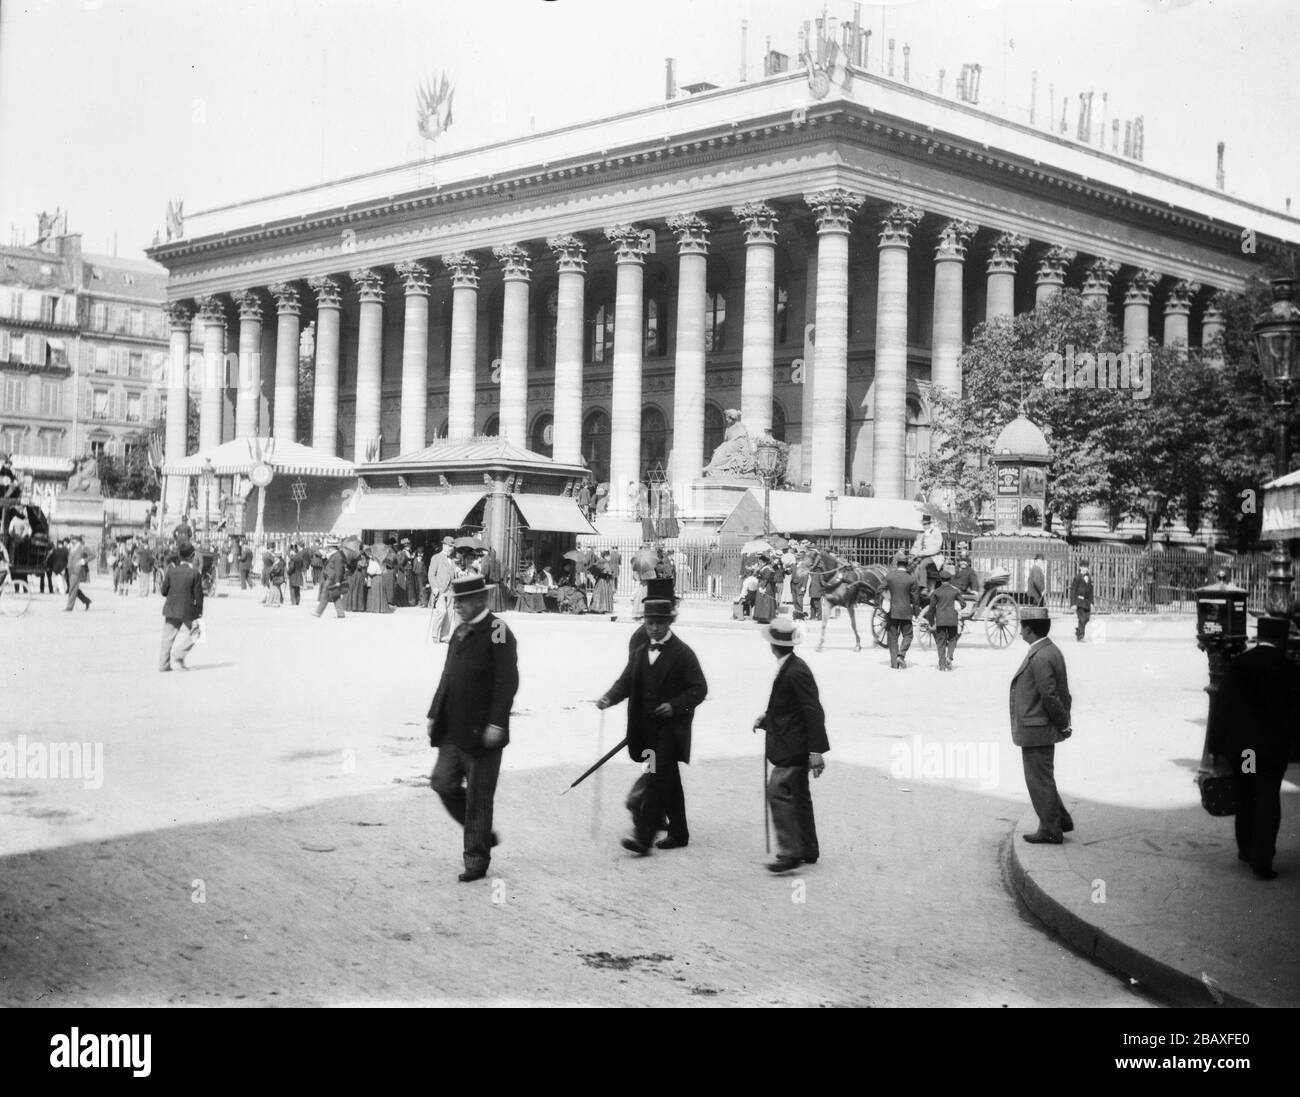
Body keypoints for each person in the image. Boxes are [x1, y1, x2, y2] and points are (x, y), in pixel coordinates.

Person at [596, 578, 708, 856]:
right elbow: (626, 681)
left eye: (659, 623)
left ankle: (643, 837)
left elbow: (699, 688)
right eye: (649, 623)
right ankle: (679, 831)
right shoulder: (639, 651)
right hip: (645, 728)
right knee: (667, 778)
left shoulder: (683, 653)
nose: (654, 628)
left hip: (671, 729)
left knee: (658, 777)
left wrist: (675, 705)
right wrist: (609, 697)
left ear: (669, 623)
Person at [426, 574, 519, 882]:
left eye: (462, 601)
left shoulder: (497, 631)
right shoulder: (460, 631)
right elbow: (447, 675)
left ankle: (476, 859)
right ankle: (481, 831)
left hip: (482, 732)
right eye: (455, 601)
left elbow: (507, 682)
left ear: (481, 600)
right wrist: (434, 712)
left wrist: (496, 722)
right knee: (442, 782)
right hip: (452, 728)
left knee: (479, 796)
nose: (457, 606)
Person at [1216, 616, 1300, 880]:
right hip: (1273, 749)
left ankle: (1246, 849)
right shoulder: (1289, 668)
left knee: (1247, 792)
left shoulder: (1240, 663)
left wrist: (1218, 748)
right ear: (1281, 639)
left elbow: (1224, 707)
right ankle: (1262, 862)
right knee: (1267, 798)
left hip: (1246, 751)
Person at [753, 617, 829, 873]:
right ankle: (808, 847)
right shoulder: (791, 665)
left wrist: (816, 751)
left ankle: (790, 851)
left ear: (773, 645)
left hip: (794, 745)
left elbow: (813, 711)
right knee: (798, 795)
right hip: (793, 740)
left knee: (776, 790)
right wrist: (768, 718)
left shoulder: (795, 671)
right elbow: (789, 705)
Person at [1009, 606, 1074, 844]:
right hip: (1041, 726)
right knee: (1043, 777)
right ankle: (1061, 820)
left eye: (1022, 628)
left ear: (1030, 630)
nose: (1020, 632)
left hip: (1037, 728)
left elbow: (1050, 696)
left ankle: (1050, 829)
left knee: (1038, 780)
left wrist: (1063, 724)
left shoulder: (1040, 656)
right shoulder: (1050, 650)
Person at [159, 540, 204, 672]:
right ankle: (179, 654)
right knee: (198, 631)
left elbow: (163, 591)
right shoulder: (194, 573)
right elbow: (199, 597)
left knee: (167, 638)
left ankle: (163, 665)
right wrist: (199, 613)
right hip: (187, 610)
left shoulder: (171, 571)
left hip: (171, 608)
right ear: (192, 557)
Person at [883, 552, 919, 669]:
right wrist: (916, 613)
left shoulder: (889, 576)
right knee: (908, 635)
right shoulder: (911, 579)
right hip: (905, 612)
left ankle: (894, 663)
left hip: (892, 612)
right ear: (907, 564)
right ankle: (901, 655)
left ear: (897, 564)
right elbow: (915, 599)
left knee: (892, 637)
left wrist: (882, 604)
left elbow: (879, 590)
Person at [928, 567, 962, 671]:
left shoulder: (936, 592)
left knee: (941, 642)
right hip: (952, 620)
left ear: (940, 580)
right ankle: (949, 657)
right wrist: (956, 605)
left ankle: (942, 665)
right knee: (953, 639)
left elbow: (931, 609)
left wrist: (931, 622)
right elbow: (963, 604)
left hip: (941, 621)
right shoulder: (955, 592)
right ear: (950, 579)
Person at [313, 536, 348, 618]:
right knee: (335, 596)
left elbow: (339, 569)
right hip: (331, 577)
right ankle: (341, 613)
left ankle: (318, 612)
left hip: (332, 578)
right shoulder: (334, 555)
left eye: (329, 546)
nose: (328, 548)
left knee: (325, 594)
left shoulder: (337, 556)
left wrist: (338, 581)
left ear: (332, 547)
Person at [909, 514, 945, 592]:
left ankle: (924, 587)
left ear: (930, 523)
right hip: (923, 556)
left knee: (922, 565)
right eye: (923, 524)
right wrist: (913, 554)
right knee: (912, 567)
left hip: (934, 556)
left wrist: (923, 553)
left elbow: (937, 548)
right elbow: (917, 545)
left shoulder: (936, 532)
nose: (924, 526)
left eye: (926, 524)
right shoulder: (922, 534)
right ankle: (914, 587)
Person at [1068, 560, 1094, 641]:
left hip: (1086, 602)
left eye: (1086, 567)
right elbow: (1073, 590)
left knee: (1087, 618)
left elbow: (1090, 591)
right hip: (1079, 601)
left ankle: (1079, 630)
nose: (1085, 569)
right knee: (1082, 618)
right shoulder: (1077, 577)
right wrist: (1073, 603)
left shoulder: (1089, 577)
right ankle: (1080, 637)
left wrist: (1092, 603)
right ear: (1080, 567)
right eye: (1083, 567)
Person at [64, 537, 91, 612]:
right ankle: (86, 600)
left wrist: (84, 561)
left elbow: (92, 555)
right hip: (70, 571)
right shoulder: (71, 548)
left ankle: (69, 607)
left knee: (72, 588)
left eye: (73, 540)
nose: (72, 541)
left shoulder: (83, 547)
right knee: (74, 588)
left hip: (77, 571)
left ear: (78, 541)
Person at [588, 550, 615, 614]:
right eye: (609, 556)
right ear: (606, 556)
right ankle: (602, 608)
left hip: (599, 580)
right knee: (604, 594)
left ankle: (594, 607)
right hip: (604, 581)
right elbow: (609, 573)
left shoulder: (598, 562)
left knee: (597, 594)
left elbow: (594, 570)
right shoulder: (605, 563)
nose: (610, 557)